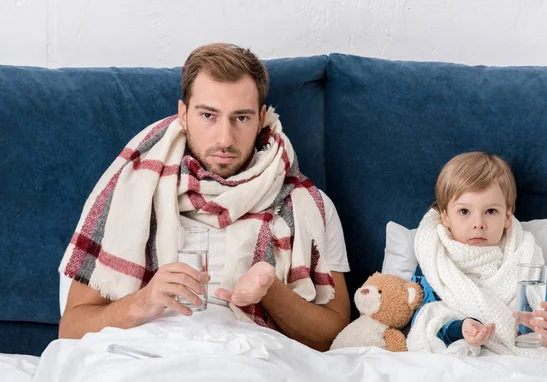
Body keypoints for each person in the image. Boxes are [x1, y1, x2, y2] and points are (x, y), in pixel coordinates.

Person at [58, 43, 351, 352]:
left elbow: (333, 336)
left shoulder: (306, 204)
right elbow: (72, 328)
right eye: (209, 115)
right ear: (184, 114)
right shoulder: (131, 192)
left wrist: (270, 291)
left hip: (252, 357)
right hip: (149, 355)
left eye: (241, 118)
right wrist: (144, 301)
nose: (224, 139)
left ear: (262, 117)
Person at [406, 152, 547, 360]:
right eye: (464, 212)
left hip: (517, 365)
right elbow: (423, 322)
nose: (478, 223)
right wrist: (460, 329)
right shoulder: (435, 259)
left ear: (507, 216)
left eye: (490, 211)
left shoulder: (526, 258)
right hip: (459, 361)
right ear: (445, 216)